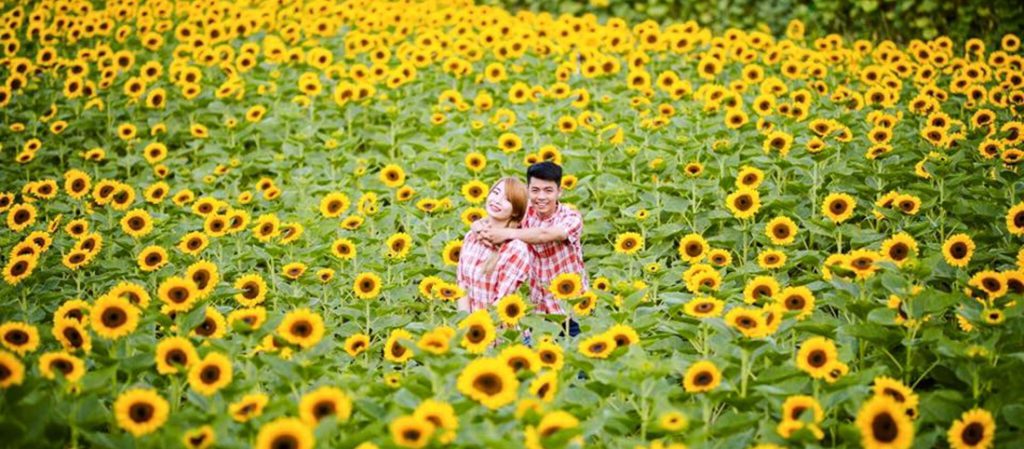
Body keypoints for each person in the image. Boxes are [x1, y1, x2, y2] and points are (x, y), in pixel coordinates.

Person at [473, 161, 587, 338]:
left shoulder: (571, 217)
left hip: (569, 307)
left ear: (560, 191)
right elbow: (490, 220)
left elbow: (545, 234)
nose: (541, 197)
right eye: (535, 190)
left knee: (576, 358)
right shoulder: (525, 212)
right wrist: (479, 226)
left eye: (548, 191)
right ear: (528, 190)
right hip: (538, 311)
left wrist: (506, 233)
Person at [456, 177, 533, 313]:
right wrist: (465, 322)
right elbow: (462, 284)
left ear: (515, 211)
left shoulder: (516, 249)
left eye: (507, 199)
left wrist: (481, 327)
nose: (497, 200)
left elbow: (502, 303)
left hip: (502, 331)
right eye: (496, 192)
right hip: (472, 329)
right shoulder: (472, 237)